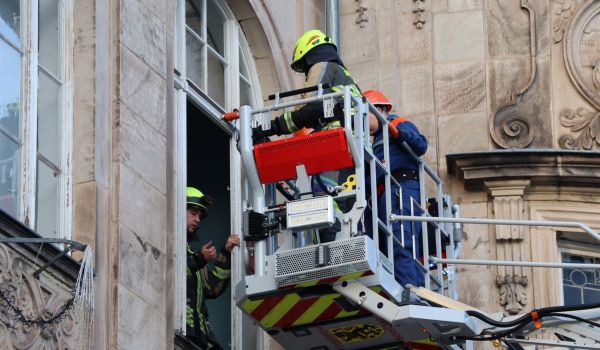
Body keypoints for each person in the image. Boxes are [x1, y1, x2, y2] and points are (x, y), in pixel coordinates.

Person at [364, 89, 428, 288]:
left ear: (380, 110)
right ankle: (402, 283)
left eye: (366, 115)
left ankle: (411, 286)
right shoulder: (374, 141)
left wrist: (398, 133)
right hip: (386, 194)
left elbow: (420, 145)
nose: (363, 122)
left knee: (402, 240)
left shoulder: (397, 123)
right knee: (389, 243)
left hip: (401, 189)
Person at [252, 29, 362, 141]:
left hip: (337, 137)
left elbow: (307, 108)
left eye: (304, 66)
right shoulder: (344, 75)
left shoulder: (321, 66)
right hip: (357, 141)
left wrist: (268, 128)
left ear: (309, 57)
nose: (306, 73)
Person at [185, 187, 240, 349]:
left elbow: (213, 288)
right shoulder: (168, 245)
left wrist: (226, 252)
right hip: (181, 332)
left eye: (200, 216)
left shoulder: (191, 255)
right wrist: (201, 258)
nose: (197, 220)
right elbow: (171, 272)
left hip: (199, 337)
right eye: (193, 213)